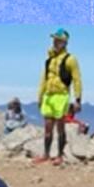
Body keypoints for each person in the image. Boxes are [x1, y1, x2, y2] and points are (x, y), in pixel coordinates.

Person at [35, 28, 82, 165]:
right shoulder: (49, 60)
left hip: (61, 95)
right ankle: (46, 154)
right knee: (48, 127)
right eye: (54, 39)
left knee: (60, 127)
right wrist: (40, 96)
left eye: (58, 40)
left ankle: (60, 155)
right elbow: (43, 79)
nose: (55, 42)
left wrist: (78, 99)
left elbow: (77, 79)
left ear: (64, 42)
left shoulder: (70, 60)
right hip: (49, 96)